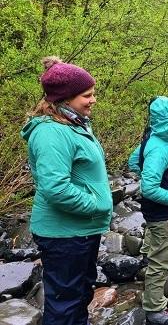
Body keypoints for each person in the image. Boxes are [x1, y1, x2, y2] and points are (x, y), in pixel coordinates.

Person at [20, 56, 113, 325]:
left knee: (79, 295)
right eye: (87, 95)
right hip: (64, 233)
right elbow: (55, 188)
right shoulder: (51, 133)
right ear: (66, 98)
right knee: (64, 304)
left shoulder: (73, 123)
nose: (93, 100)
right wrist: (97, 205)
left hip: (80, 230)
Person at [130, 96, 168, 325]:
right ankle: (154, 310)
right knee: (158, 262)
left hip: (165, 213)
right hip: (163, 213)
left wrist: (146, 171)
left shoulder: (154, 138)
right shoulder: (160, 149)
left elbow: (133, 161)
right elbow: (149, 188)